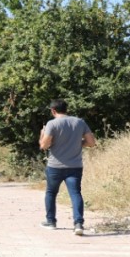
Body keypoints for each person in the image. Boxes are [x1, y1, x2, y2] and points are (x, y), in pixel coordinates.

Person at [39, 98, 97, 235]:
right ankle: (78, 224)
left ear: (53, 110)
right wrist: (78, 144)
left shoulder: (52, 124)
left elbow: (44, 145)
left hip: (55, 166)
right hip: (75, 166)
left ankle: (51, 221)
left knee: (51, 193)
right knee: (75, 193)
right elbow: (91, 142)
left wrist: (42, 134)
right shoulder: (80, 122)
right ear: (66, 109)